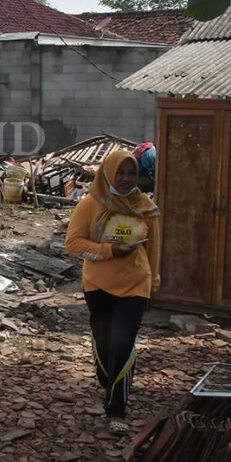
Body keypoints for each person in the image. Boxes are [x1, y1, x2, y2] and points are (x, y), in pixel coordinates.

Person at [65, 149, 160, 434]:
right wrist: (110, 251)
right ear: (108, 173)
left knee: (123, 343)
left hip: (135, 285)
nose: (126, 179)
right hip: (98, 285)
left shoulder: (145, 206)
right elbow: (74, 244)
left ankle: (116, 408)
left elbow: (154, 249)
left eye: (132, 173)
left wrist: (153, 282)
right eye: (121, 172)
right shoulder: (90, 205)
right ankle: (109, 381)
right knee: (104, 343)